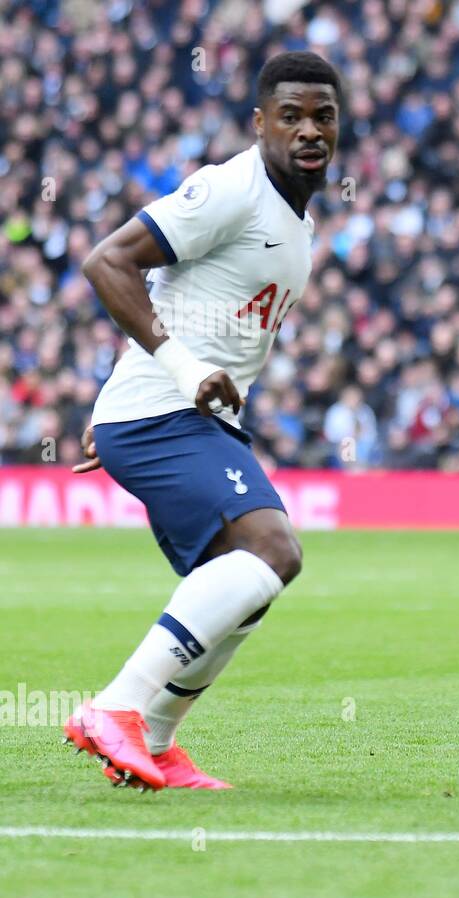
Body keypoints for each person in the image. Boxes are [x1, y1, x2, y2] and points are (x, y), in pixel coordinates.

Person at [63, 52, 343, 791]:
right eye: (291, 116)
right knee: (273, 548)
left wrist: (129, 386)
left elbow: (167, 292)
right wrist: (173, 377)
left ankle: (154, 740)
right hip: (164, 414)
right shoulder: (230, 190)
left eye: (323, 116)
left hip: (169, 417)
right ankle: (116, 707)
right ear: (260, 123)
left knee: (248, 582)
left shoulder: (295, 220)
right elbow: (107, 262)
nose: (309, 130)